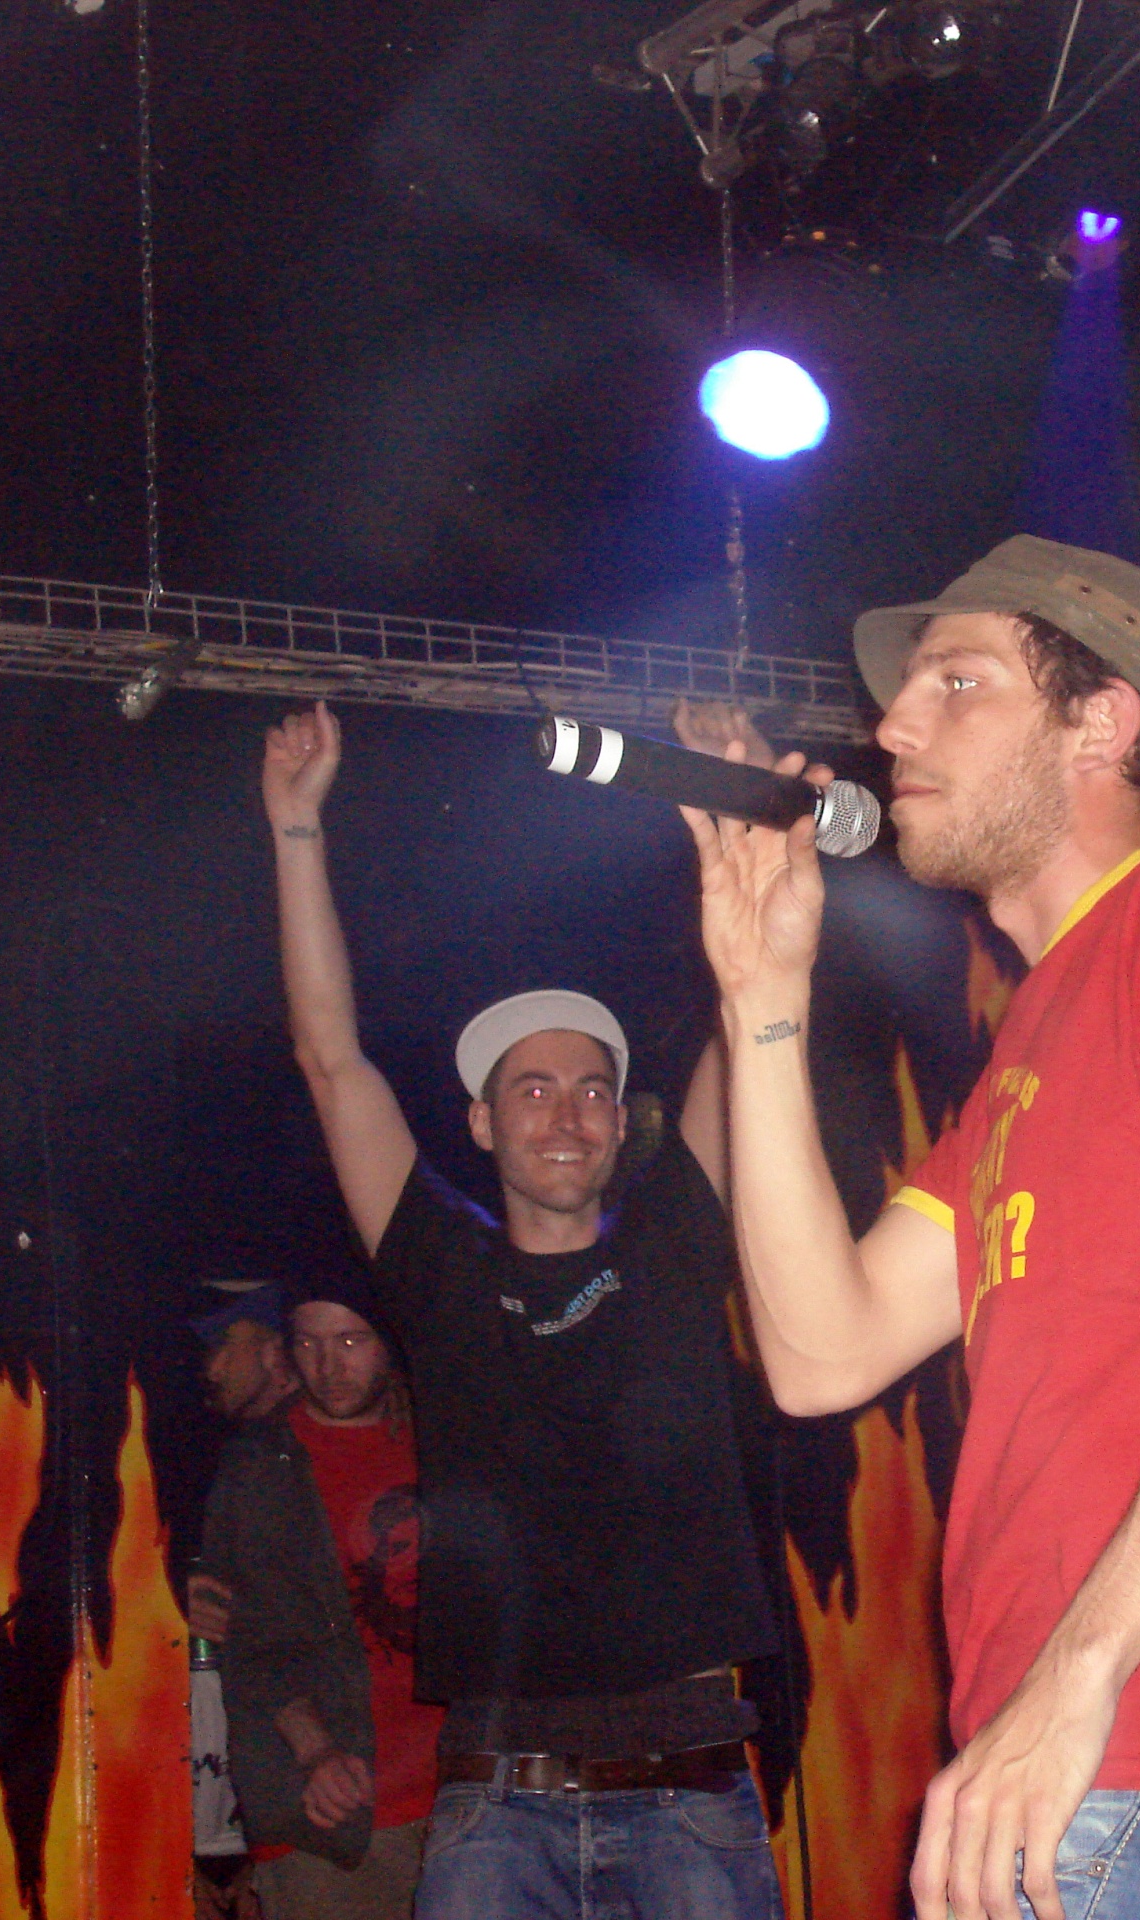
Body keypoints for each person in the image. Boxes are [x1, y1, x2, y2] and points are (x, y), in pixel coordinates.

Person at [684, 536, 1140, 1920]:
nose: (894, 724)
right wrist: (763, 995)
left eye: (956, 681)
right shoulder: (1030, 1047)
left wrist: (1076, 1678)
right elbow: (821, 1354)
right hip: (1072, 1771)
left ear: (1100, 723)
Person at [258, 701, 782, 1920]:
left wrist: (744, 806)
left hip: (692, 1794)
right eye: (532, 1090)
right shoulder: (441, 1267)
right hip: (500, 1804)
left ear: (620, 1120)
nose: (565, 1114)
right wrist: (295, 827)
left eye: (591, 1090)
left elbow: (750, 1001)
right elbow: (331, 1058)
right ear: (484, 1123)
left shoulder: (673, 1239)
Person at [197, 1276, 442, 1920]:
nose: (329, 1366)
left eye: (351, 1341)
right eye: (308, 1343)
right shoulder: (259, 1465)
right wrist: (314, 1751)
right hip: (330, 1812)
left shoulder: (445, 1438)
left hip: (466, 1798)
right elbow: (249, 1639)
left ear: (389, 1343)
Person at [189, 1284, 299, 1920]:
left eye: (222, 1344)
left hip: (308, 1807)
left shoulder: (312, 1454)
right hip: (245, 1810)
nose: (210, 1367)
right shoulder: (238, 1455)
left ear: (276, 1351)